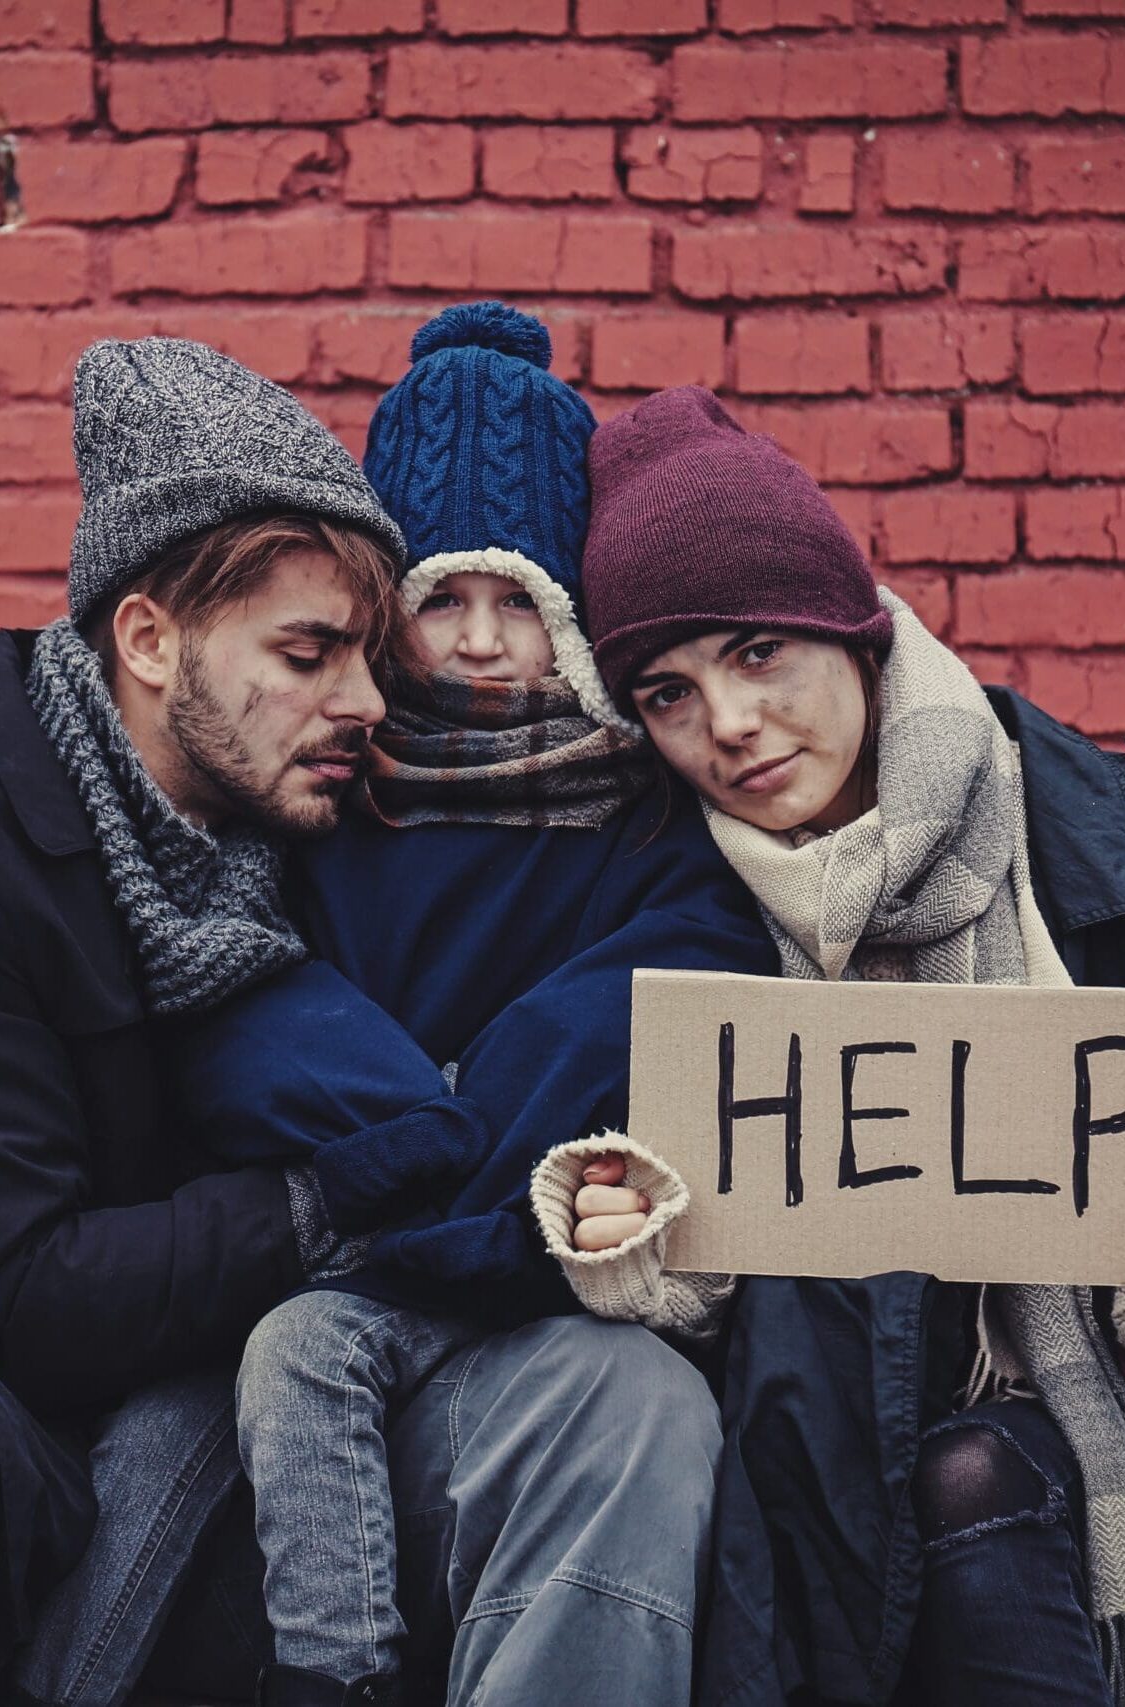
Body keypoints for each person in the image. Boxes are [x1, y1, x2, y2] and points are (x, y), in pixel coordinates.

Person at [0, 337, 739, 1707]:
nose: (365, 699)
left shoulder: (281, 814)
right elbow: (9, 1296)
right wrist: (331, 1199)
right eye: (308, 653)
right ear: (150, 639)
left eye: (364, 649)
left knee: (619, 1398)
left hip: (274, 1457)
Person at [527, 385, 1125, 1707]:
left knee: (979, 1474)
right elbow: (724, 1325)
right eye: (669, 690)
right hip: (823, 1506)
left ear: (853, 628)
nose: (730, 726)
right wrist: (649, 1259)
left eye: (759, 650)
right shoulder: (668, 914)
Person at [146, 303, 769, 1706]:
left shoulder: (635, 811)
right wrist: (411, 1121)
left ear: (572, 622)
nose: (483, 642)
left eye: (522, 606)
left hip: (551, 1251)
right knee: (291, 1357)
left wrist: (484, 1103)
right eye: (442, 602)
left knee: (616, 1401)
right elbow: (252, 992)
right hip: (370, 1247)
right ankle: (334, 1664)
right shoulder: (331, 800)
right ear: (387, 614)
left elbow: (658, 989)